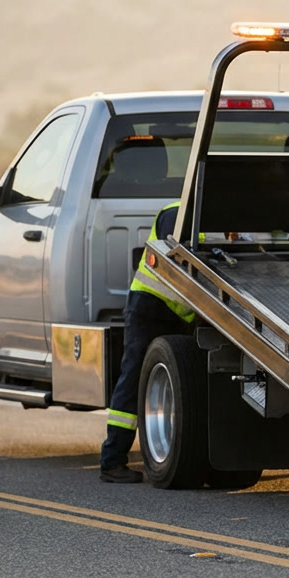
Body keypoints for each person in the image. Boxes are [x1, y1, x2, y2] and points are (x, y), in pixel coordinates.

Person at [99, 201, 195, 483]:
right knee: (133, 379)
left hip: (179, 314)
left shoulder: (220, 220)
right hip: (149, 306)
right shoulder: (176, 213)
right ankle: (112, 461)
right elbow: (175, 256)